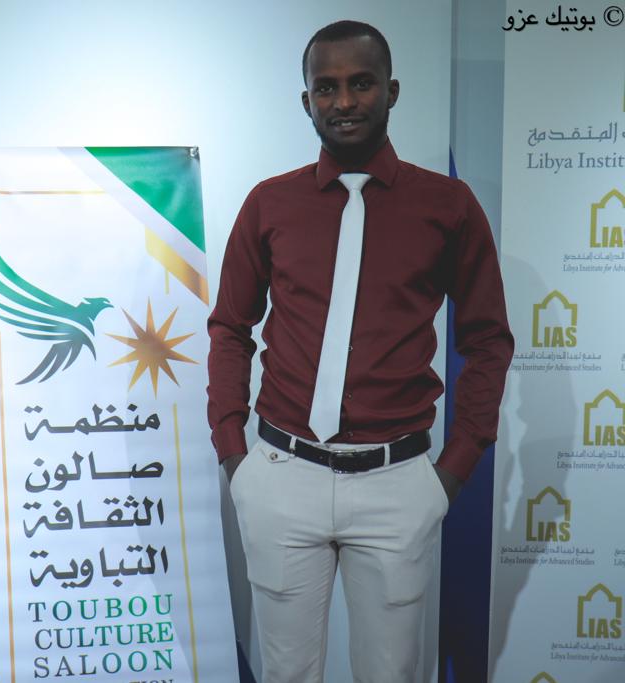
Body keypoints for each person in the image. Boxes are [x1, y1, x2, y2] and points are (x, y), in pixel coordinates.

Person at [207, 20, 513, 683]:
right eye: (326, 88)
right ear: (307, 100)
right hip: (281, 475)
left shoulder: (448, 206)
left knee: (393, 674)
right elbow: (230, 327)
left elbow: (488, 340)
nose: (344, 101)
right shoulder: (268, 204)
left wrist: (450, 473)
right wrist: (235, 456)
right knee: (286, 674)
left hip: (397, 482)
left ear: (391, 91)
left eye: (361, 83)